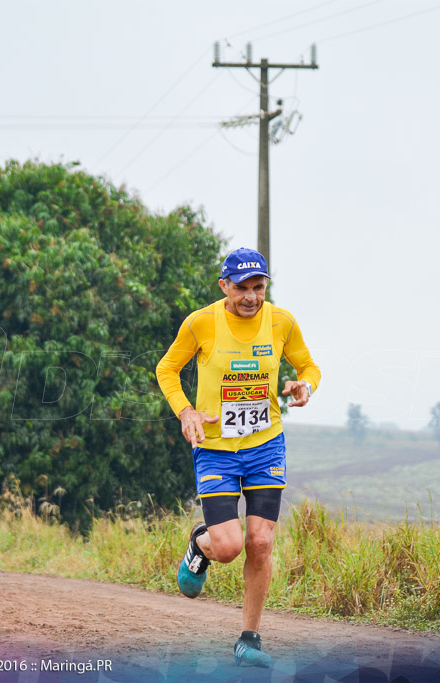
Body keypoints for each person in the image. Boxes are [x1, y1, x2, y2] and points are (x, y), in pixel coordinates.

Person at [156, 247, 320, 668]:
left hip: (265, 445)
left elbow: (308, 367)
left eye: (258, 287)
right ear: (224, 286)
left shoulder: (281, 322)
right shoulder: (201, 322)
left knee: (260, 542)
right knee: (228, 548)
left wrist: (305, 387)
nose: (250, 296)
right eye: (242, 288)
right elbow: (167, 369)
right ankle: (200, 542)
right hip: (215, 449)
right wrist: (185, 411)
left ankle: (249, 639)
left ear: (266, 286)